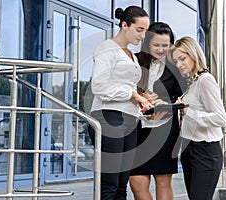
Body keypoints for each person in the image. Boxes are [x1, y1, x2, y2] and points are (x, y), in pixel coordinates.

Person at [90, 6, 151, 200]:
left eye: (145, 31)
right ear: (124, 25)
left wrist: (143, 99)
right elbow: (99, 87)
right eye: (139, 30)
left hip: (131, 120)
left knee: (122, 184)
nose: (142, 36)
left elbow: (128, 87)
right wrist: (133, 95)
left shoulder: (131, 55)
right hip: (109, 117)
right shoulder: (107, 48)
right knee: (109, 184)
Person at [129, 22, 187, 200]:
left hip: (165, 129)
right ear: (147, 43)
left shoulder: (175, 67)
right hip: (136, 128)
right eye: (156, 45)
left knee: (162, 181)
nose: (161, 49)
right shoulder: (134, 60)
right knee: (136, 181)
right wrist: (140, 95)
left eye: (166, 45)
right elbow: (121, 86)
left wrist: (164, 104)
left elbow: (183, 99)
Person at [167, 36, 226, 200]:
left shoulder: (206, 81)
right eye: (176, 61)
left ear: (193, 54)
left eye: (182, 58)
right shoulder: (193, 81)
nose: (179, 65)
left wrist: (189, 112)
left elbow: (221, 118)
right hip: (189, 149)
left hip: (205, 152)